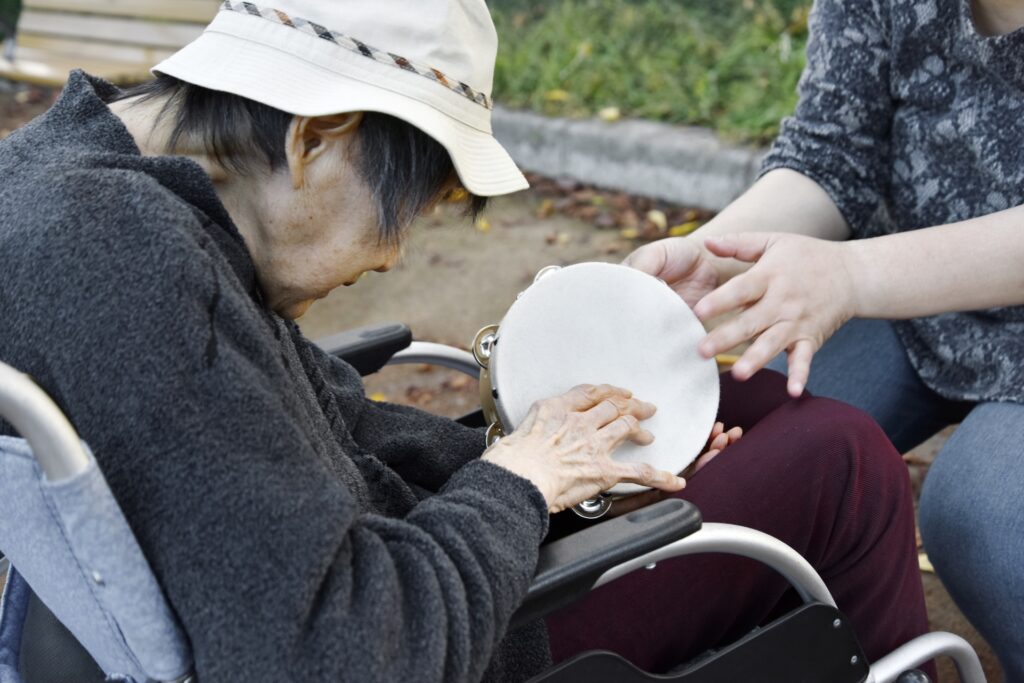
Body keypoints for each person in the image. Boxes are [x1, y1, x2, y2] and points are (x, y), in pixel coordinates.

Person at [0, 0, 930, 680]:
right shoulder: (129, 271)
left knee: (736, 400)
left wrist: (549, 471)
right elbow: (340, 653)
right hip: (470, 633)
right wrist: (522, 483)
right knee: (838, 456)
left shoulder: (69, 174)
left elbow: (306, 435)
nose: (397, 253)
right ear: (315, 138)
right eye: (404, 213)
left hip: (413, 559)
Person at [625, 0, 1024, 679]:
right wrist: (708, 258)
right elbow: (831, 153)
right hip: (917, 303)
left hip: (896, 282)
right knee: (760, 449)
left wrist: (853, 273)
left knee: (983, 518)